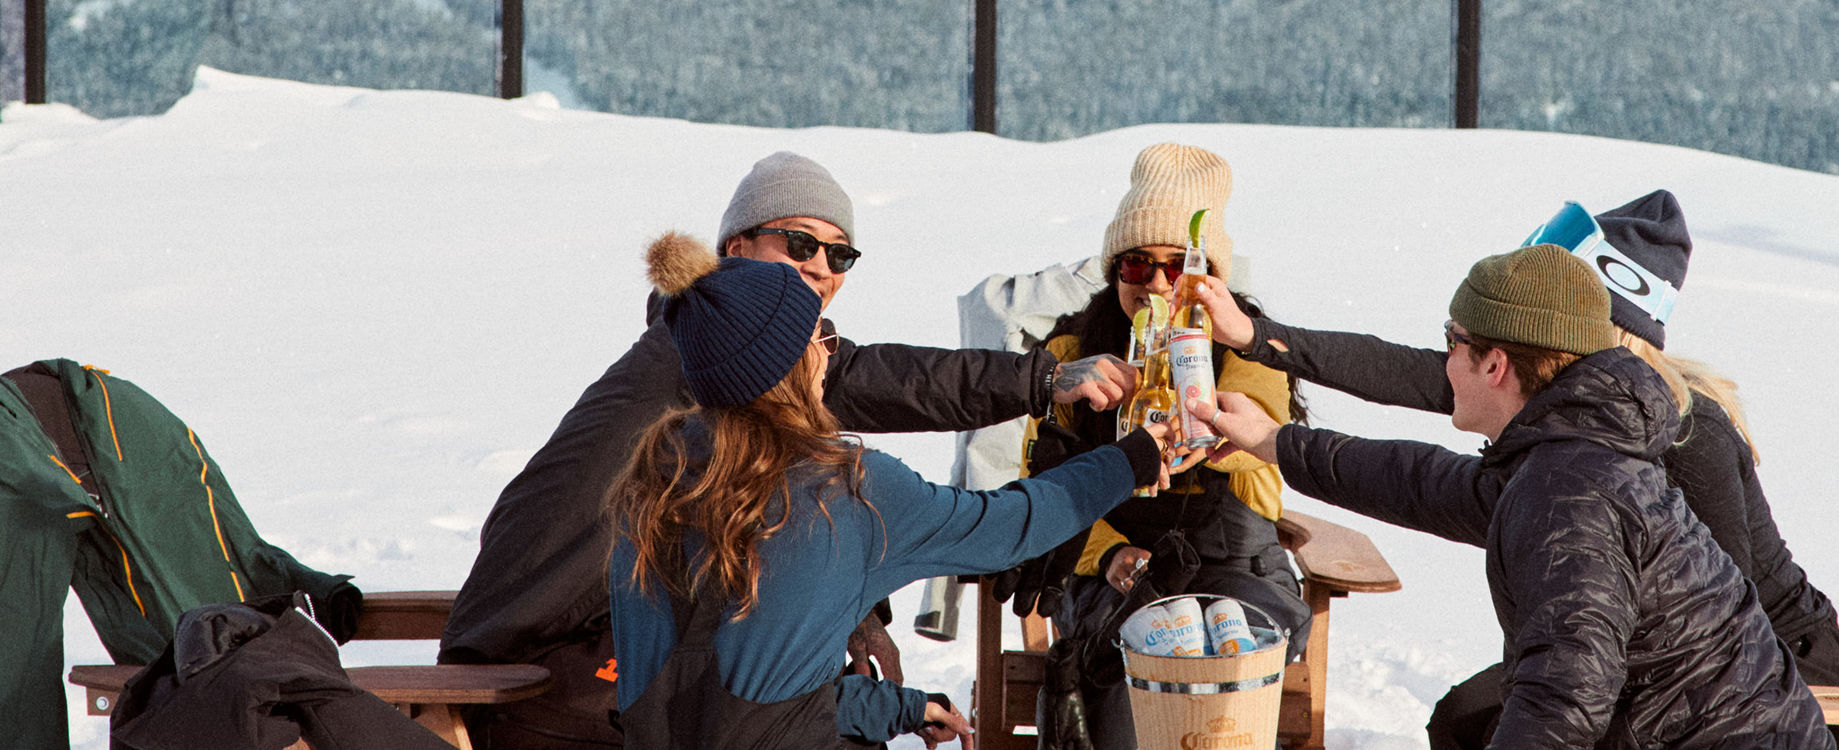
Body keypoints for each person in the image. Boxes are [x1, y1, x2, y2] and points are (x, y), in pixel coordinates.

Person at [440, 151, 1138, 748]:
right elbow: (888, 393)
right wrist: (1052, 386)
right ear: (734, 251)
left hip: (593, 660)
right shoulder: (711, 367)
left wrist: (857, 613)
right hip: (537, 671)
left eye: (839, 254)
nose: (821, 267)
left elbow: (779, 528)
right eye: (798, 244)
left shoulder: (724, 363)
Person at [1178, 192, 1839, 745]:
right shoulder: (1574, 434)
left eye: (1453, 343)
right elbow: (1425, 481)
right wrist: (1275, 436)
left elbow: (1570, 693)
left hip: (1734, 701)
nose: (1441, 364)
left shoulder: (1593, 478)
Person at [606, 238, 1183, 749]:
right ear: (787, 362)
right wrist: (1131, 459)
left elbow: (727, 705)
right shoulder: (847, 491)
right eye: (818, 336)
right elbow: (1011, 526)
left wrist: (899, 709)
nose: (830, 351)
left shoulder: (654, 486)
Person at [1012, 142, 1309, 750]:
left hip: (1234, 568)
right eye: (1136, 264)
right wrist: (1110, 552)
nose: (1156, 283)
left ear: (1211, 279)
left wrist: (1217, 434)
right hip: (1111, 574)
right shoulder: (1072, 357)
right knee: (1142, 656)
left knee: (1224, 652)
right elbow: (1041, 488)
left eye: (1178, 267)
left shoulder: (1251, 353)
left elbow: (1266, 461)